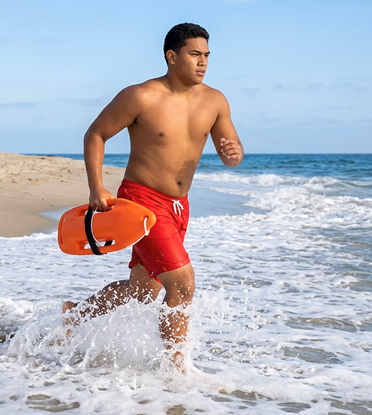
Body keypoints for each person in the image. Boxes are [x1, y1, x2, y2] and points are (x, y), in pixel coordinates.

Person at [62, 23, 244, 369]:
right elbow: (95, 134)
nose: (203, 62)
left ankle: (76, 313)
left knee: (143, 291)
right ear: (172, 57)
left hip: (180, 206)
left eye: (206, 55)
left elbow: (230, 152)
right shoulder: (141, 96)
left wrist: (233, 153)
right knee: (183, 283)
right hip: (142, 202)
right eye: (195, 54)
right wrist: (96, 187)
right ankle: (175, 368)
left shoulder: (215, 101)